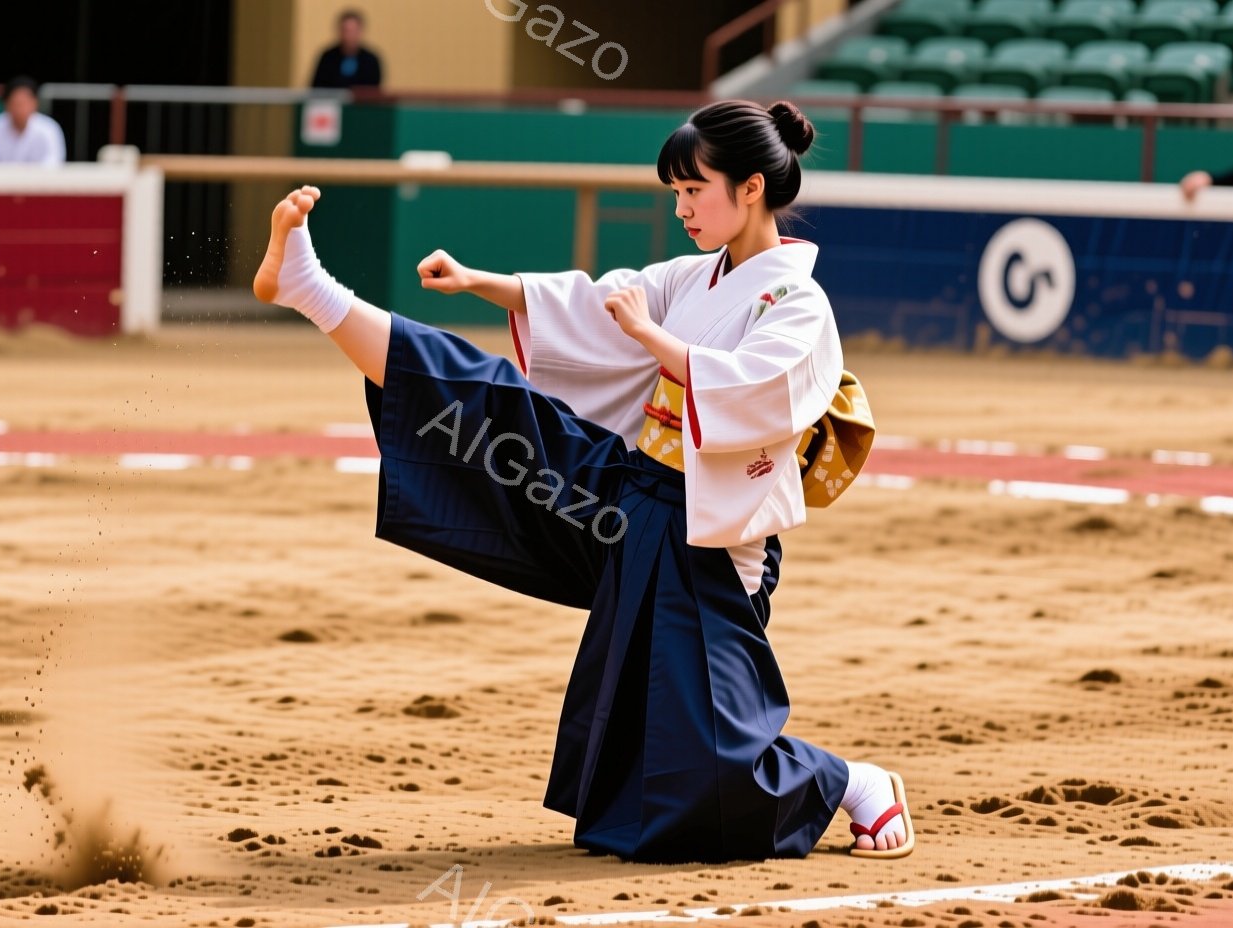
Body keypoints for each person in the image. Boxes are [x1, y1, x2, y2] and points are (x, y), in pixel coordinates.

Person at [248, 100, 916, 863]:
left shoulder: (801, 304)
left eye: (695, 190)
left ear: (752, 188)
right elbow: (594, 304)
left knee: (710, 780)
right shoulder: (695, 277)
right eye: (676, 192)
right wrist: (480, 283)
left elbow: (750, 391)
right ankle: (312, 288)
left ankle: (856, 782)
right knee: (489, 406)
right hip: (630, 496)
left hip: (709, 543)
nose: (682, 207)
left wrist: (650, 336)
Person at [0, 77, 66, 165]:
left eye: (25, 103)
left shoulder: (49, 129)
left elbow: (54, 164)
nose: (21, 109)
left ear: (35, 103)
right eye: (16, 103)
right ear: (6, 104)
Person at [310, 9, 383, 89]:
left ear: (360, 32)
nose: (349, 36)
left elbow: (373, 91)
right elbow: (317, 88)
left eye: (353, 31)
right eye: (346, 30)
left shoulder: (370, 60)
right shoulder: (328, 58)